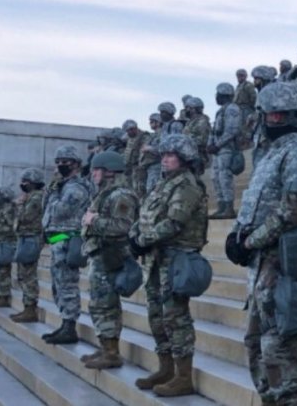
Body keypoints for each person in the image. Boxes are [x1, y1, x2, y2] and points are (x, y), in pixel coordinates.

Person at [230, 82, 297, 405]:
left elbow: (294, 208)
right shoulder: (273, 154)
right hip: (264, 265)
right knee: (256, 345)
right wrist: (241, 236)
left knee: (279, 352)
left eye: (280, 115)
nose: (274, 121)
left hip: (284, 263)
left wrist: (249, 242)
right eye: (271, 115)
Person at [130, 134, 209, 397]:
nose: (164, 159)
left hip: (176, 259)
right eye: (163, 155)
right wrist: (136, 235)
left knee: (176, 318)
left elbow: (175, 222)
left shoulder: (186, 185)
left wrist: (142, 240)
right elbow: (146, 215)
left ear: (184, 158)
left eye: (170, 155)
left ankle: (183, 376)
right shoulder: (164, 184)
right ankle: (166, 368)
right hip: (156, 258)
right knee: (157, 316)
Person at [80, 151, 139, 370]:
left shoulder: (120, 195)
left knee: (106, 305)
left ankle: (112, 352)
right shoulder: (106, 194)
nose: (93, 174)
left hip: (110, 256)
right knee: (99, 304)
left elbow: (123, 226)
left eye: (97, 169)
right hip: (100, 255)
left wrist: (94, 221)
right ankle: (106, 346)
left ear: (109, 171)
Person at [41, 145, 93, 344]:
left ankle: (70, 326)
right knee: (58, 283)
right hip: (58, 238)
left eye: (66, 162)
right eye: (59, 162)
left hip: (69, 238)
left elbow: (61, 211)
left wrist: (54, 195)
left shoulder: (76, 187)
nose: (61, 165)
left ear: (77, 165)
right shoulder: (62, 185)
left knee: (67, 283)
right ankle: (64, 322)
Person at [9, 168, 46, 323]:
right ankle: (27, 307)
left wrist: (18, 206)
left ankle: (30, 309)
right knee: (23, 273)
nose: (22, 184)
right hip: (25, 237)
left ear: (33, 183)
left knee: (28, 274)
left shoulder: (36, 198)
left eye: (25, 182)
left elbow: (26, 217)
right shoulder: (30, 197)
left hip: (32, 238)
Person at [208, 82, 242, 219]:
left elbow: (232, 130)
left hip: (226, 149)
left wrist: (218, 144)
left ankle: (229, 208)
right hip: (218, 150)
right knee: (215, 178)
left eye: (218, 93)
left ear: (223, 94)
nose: (216, 96)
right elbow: (214, 130)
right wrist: (210, 144)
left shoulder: (232, 109)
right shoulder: (220, 111)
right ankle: (221, 206)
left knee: (224, 178)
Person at [250, 65, 279, 168]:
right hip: (260, 136)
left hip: (267, 136)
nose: (254, 82)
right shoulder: (263, 92)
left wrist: (264, 137)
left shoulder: (270, 92)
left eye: (256, 79)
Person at [182, 97, 211, 174]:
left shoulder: (202, 121)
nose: (186, 110)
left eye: (188, 108)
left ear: (194, 109)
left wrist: (185, 141)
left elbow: (202, 140)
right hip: (189, 155)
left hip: (198, 156)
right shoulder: (190, 122)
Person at [122, 119, 149, 196]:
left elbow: (143, 152)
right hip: (129, 167)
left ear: (134, 129)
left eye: (128, 131)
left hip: (138, 167)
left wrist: (140, 165)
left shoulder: (144, 136)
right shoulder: (129, 137)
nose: (127, 133)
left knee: (138, 188)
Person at [141, 113, 164, 196]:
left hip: (156, 166)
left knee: (152, 191)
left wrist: (150, 148)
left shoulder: (162, 134)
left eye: (151, 121)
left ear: (158, 122)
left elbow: (163, 149)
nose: (150, 124)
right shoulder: (154, 135)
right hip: (150, 166)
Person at [234, 68, 258, 145]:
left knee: (246, 128)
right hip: (238, 109)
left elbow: (253, 97)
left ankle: (246, 142)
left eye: (242, 76)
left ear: (245, 76)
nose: (240, 78)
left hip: (246, 109)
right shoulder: (238, 86)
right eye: (238, 76)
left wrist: (251, 108)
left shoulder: (248, 85)